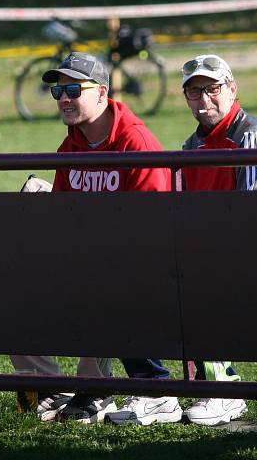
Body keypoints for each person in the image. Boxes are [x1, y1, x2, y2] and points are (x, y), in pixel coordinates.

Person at [10, 52, 181, 425]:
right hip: (90, 260)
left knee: (104, 282)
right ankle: (55, 386)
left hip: (142, 264)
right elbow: (62, 220)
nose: (65, 98)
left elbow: (153, 226)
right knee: (14, 284)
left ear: (102, 93)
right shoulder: (70, 147)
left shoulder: (134, 141)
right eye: (58, 91)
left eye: (74, 89)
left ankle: (148, 386)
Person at [175, 53, 257, 426]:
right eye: (194, 92)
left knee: (200, 277)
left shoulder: (252, 134)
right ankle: (153, 387)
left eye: (212, 89)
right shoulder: (191, 146)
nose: (204, 100)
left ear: (232, 89)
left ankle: (224, 389)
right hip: (219, 249)